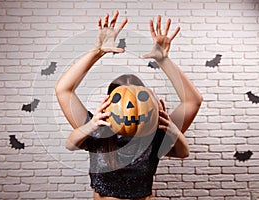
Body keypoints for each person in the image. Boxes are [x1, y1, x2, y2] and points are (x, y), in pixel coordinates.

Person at [55, 10, 203, 200]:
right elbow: (63, 90)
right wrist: (97, 52)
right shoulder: (97, 129)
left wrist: (163, 60)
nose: (131, 107)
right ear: (108, 104)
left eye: (139, 99)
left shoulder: (158, 129)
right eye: (122, 100)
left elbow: (193, 101)